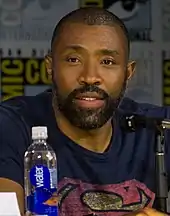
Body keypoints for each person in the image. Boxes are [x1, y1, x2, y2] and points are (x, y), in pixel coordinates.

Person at [0, 7, 168, 216]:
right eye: (73, 60)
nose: (90, 77)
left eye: (107, 62)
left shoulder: (159, 127)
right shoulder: (10, 125)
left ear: (128, 72)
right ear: (50, 67)